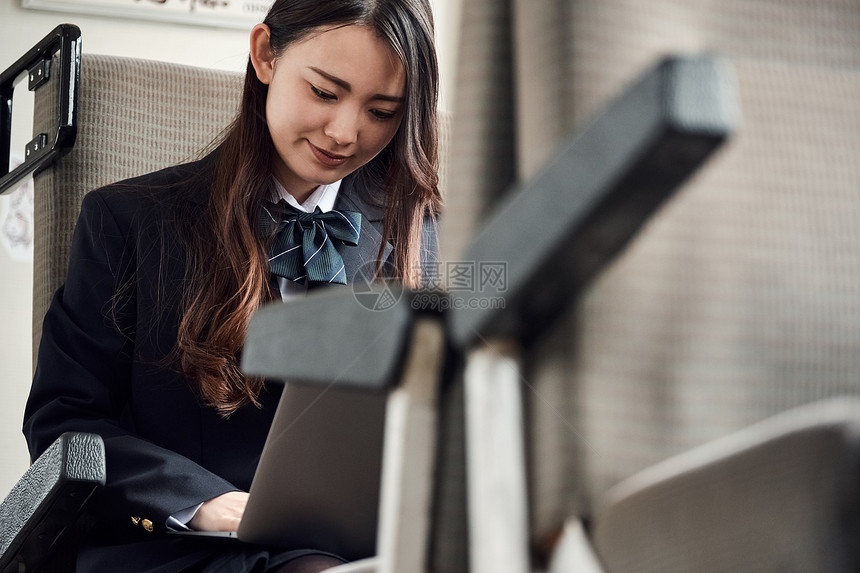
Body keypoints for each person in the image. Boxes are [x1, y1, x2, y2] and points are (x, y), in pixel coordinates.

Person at [22, 0, 440, 571]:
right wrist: (204, 504)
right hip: (186, 549)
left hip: (365, 547)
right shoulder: (127, 222)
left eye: (383, 110)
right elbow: (64, 426)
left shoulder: (428, 237)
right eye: (324, 92)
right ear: (266, 55)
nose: (347, 132)